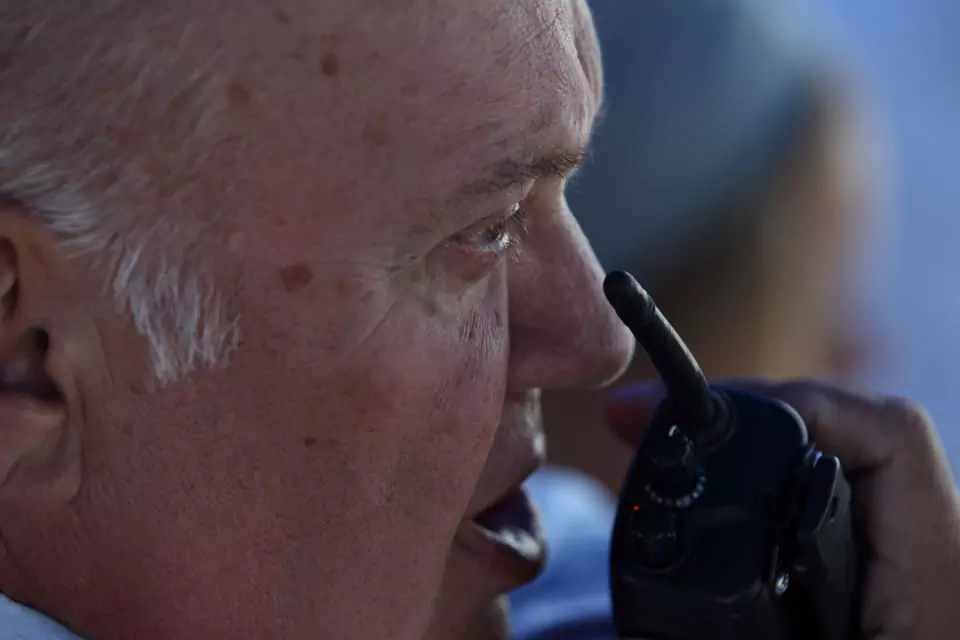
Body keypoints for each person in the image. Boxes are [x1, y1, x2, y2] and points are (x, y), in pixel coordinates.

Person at [0, 3, 956, 640]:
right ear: (26, 355)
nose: (599, 342)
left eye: (561, 194)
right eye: (484, 232)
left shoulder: (578, 578)